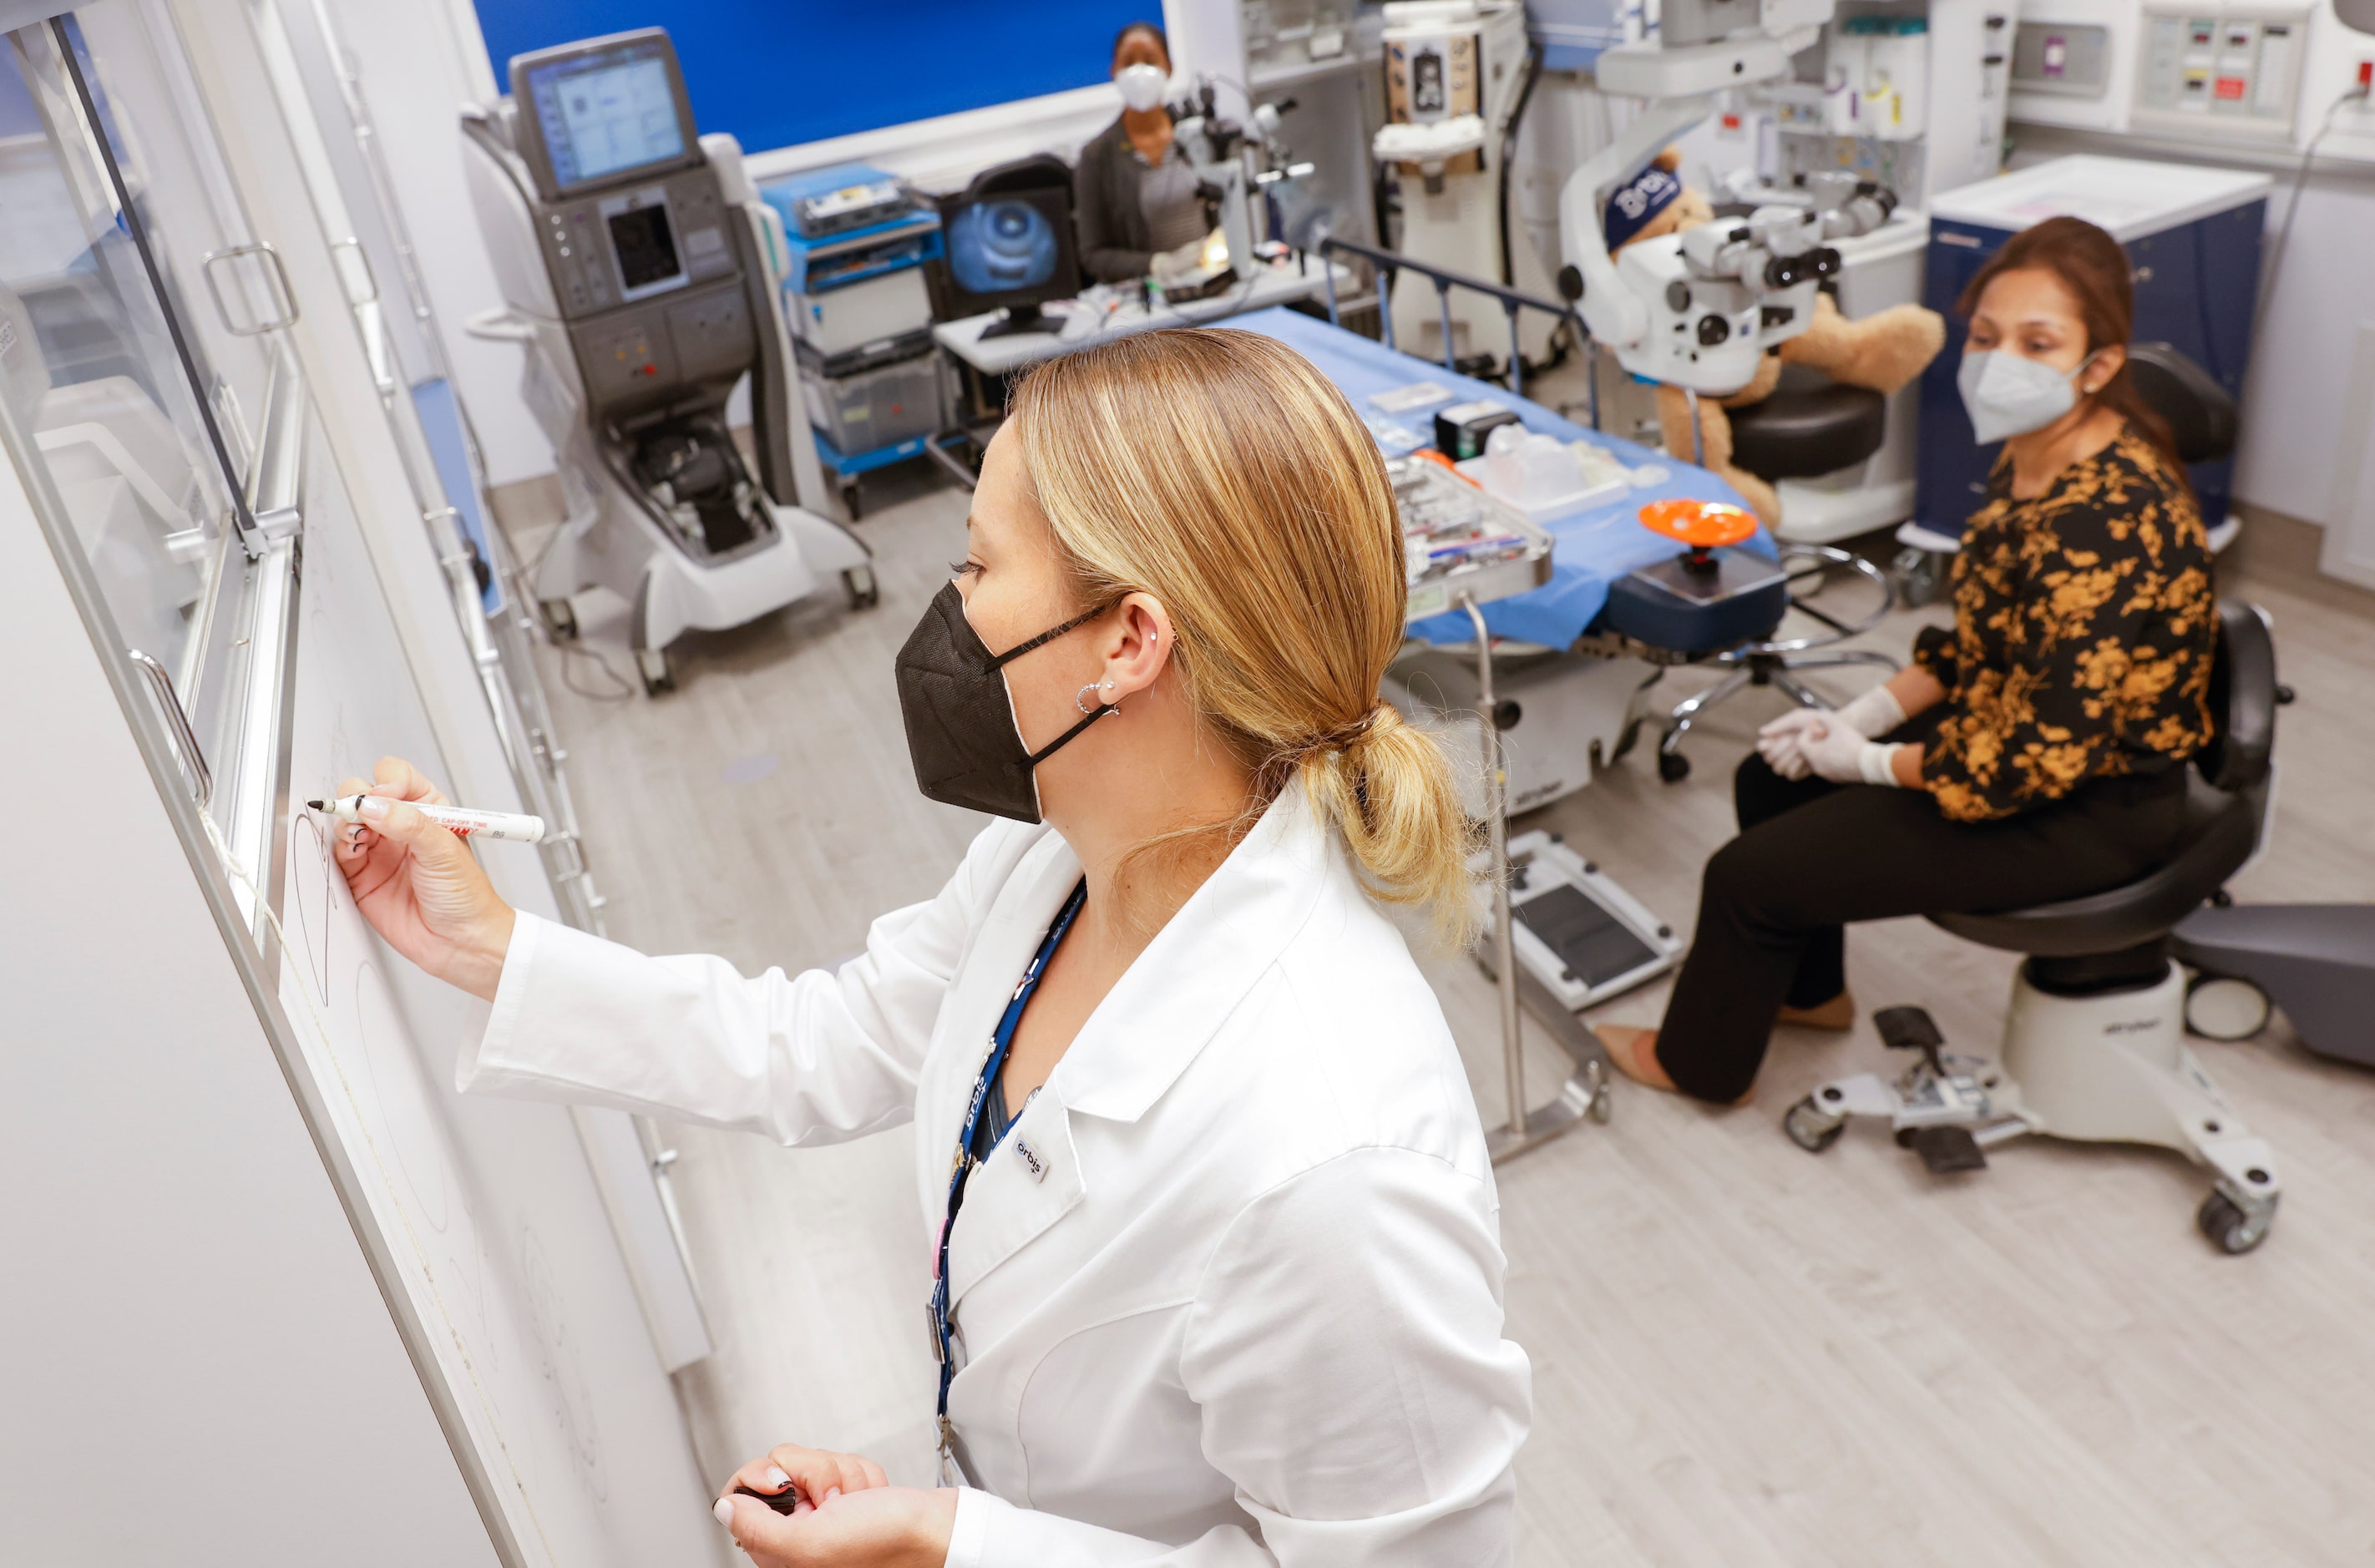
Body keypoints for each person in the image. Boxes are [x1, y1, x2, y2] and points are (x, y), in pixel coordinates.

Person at [331, 329, 1532, 1565]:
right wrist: (496, 950)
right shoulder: (1060, 856)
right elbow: (831, 1040)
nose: (950, 608)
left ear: (1129, 641)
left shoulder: (1337, 1166)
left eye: (976, 563)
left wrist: (959, 1543)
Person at [1598, 215, 2218, 1105]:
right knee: (1773, 784)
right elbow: (1986, 641)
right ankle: (1812, 995)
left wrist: (1873, 763)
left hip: (2093, 804)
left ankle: (1697, 1065)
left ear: (2100, 365)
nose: (2001, 361)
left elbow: (2032, 762)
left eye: (2039, 343)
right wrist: (1865, 715)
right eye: (1989, 335)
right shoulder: (2035, 458)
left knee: (1747, 877)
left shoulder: (2102, 521)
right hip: (2027, 735)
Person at [1074, 22, 1211, 285]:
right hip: (1149, 295)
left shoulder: (1195, 133)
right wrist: (1156, 264)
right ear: (1113, 70)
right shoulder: (1096, 156)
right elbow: (1093, 255)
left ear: (1168, 67)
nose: (1139, 71)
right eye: (1128, 62)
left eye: (1150, 60)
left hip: (1212, 275)